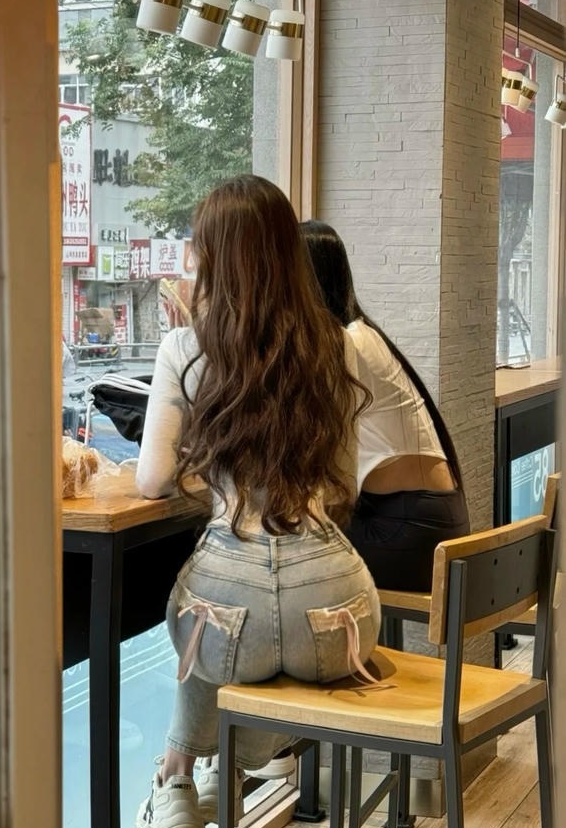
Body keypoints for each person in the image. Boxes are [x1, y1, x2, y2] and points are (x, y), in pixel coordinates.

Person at [134, 176, 381, 828]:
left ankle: (179, 780)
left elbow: (151, 479)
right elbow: (343, 484)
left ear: (212, 256)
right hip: (338, 616)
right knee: (251, 631)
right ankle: (222, 773)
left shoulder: (184, 346)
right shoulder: (336, 342)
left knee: (214, 623)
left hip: (227, 605)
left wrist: (218, 478)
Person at [300, 221, 470, 592]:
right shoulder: (362, 333)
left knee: (290, 554)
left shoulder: (347, 344)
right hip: (427, 518)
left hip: (410, 529)